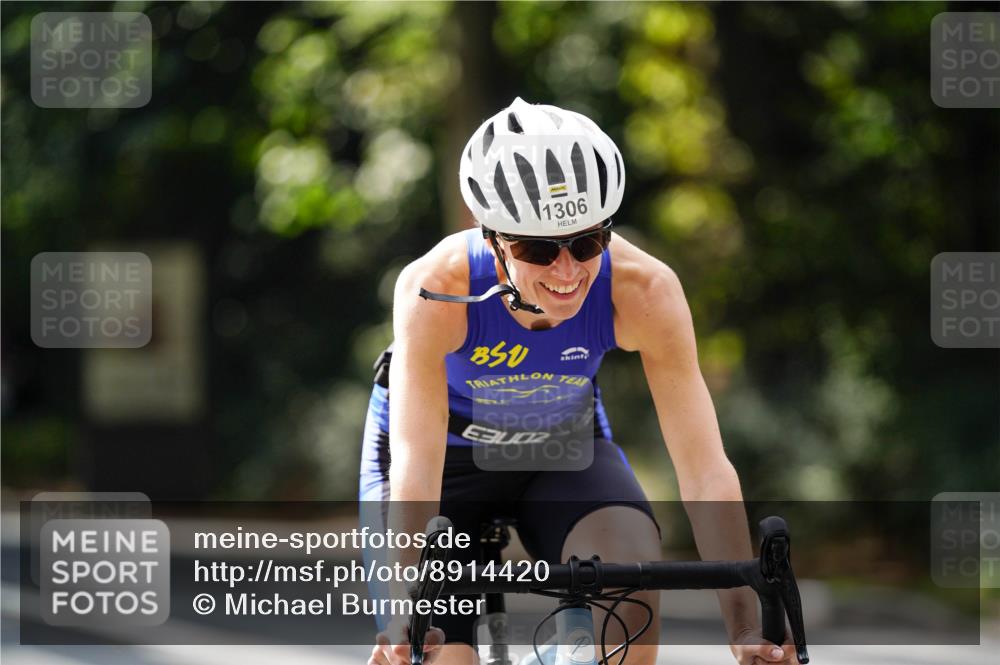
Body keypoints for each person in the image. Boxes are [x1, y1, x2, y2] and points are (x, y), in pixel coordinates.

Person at [361, 98, 798, 665]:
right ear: (492, 236)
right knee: (442, 655)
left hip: (561, 445)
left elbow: (705, 468)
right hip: (444, 458)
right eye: (538, 249)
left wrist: (746, 628)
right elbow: (417, 468)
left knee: (633, 591)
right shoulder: (435, 290)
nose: (567, 271)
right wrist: (404, 612)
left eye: (588, 242)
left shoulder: (645, 290)